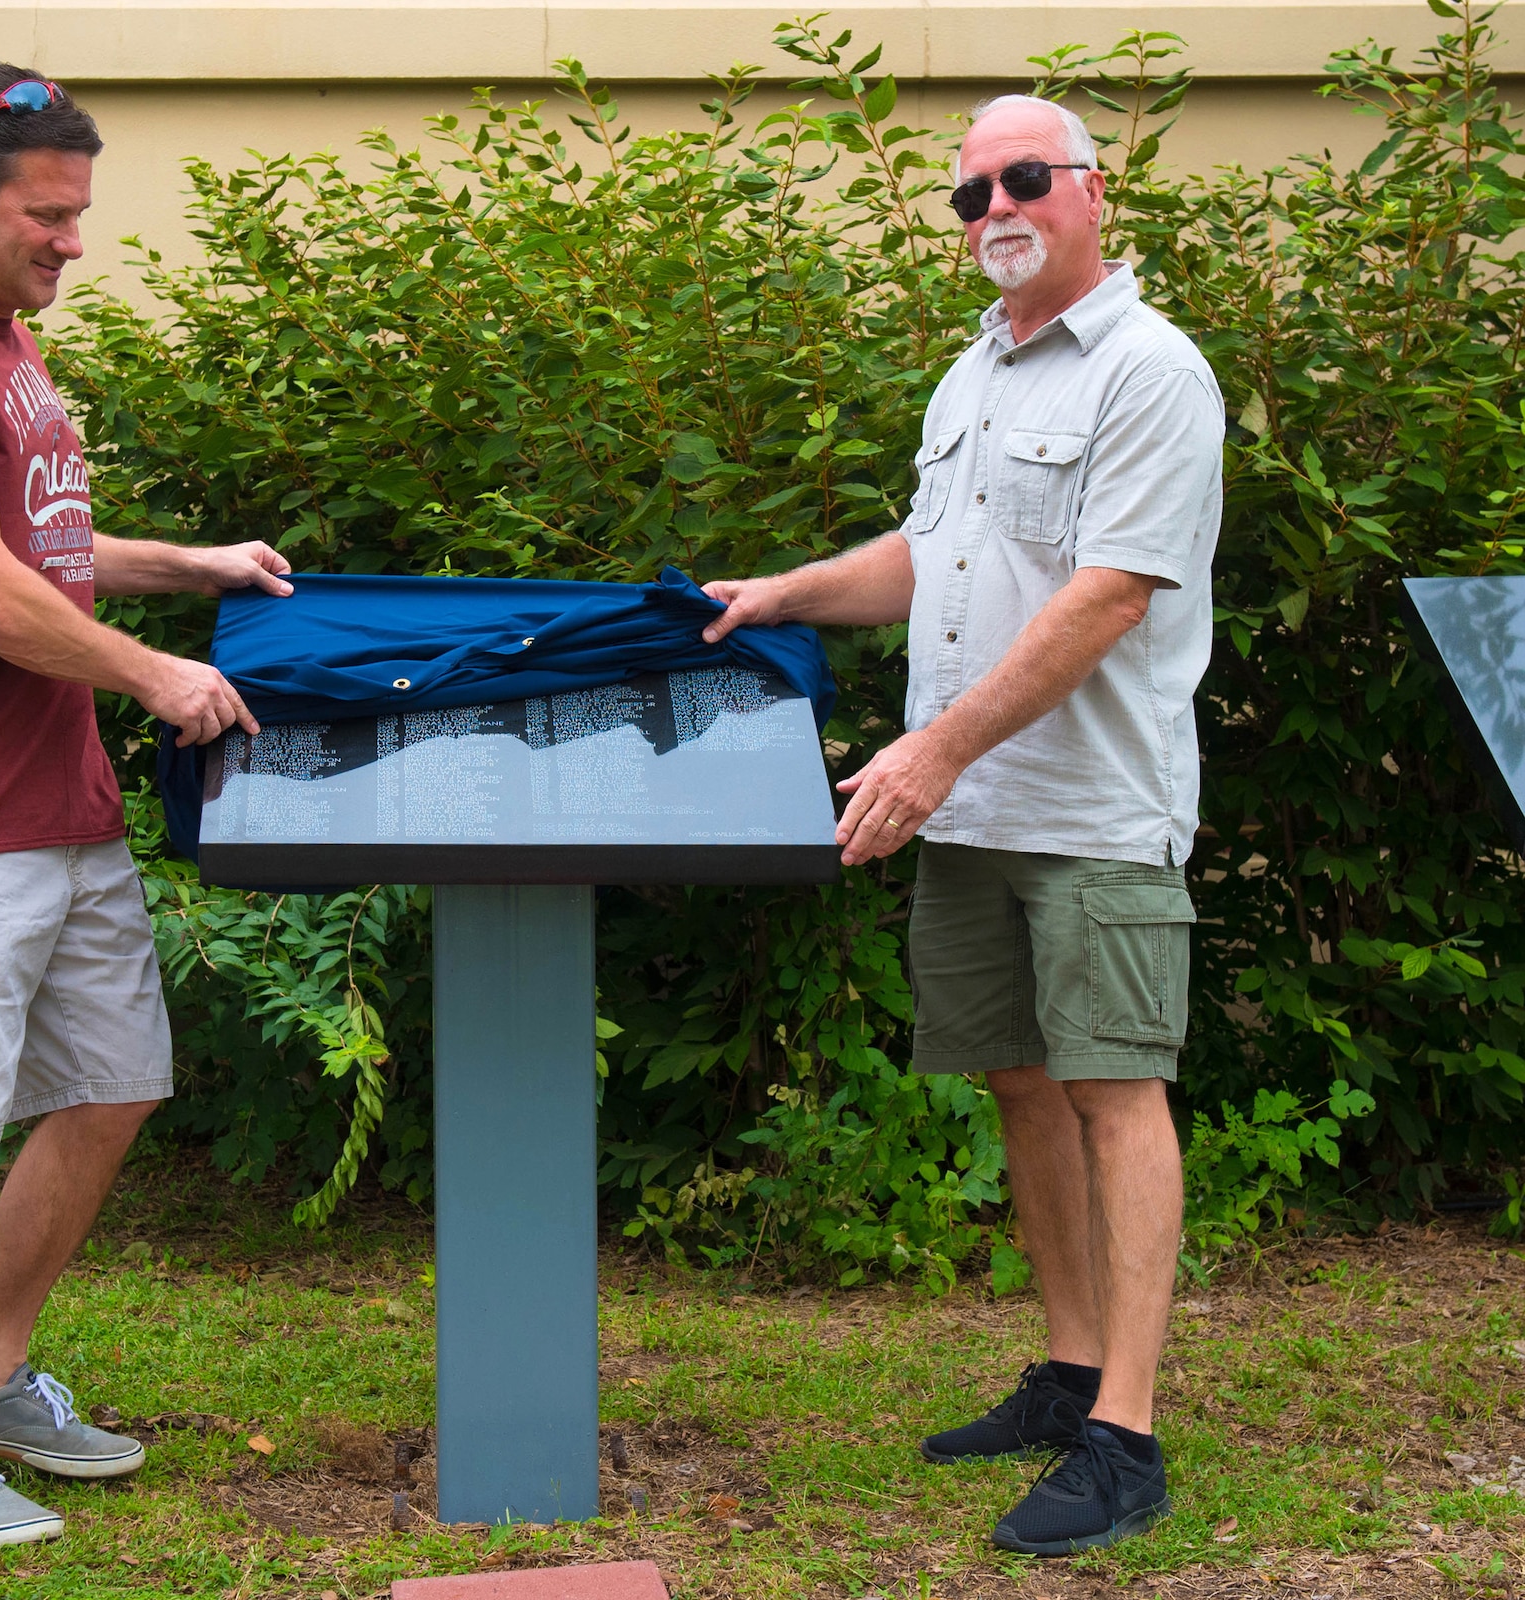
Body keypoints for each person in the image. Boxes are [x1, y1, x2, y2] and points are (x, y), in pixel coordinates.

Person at [703, 93, 1222, 1556]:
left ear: (1091, 189)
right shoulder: (974, 374)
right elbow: (935, 559)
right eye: (969, 192)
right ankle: (1067, 1373)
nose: (996, 204)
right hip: (976, 803)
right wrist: (783, 596)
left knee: (1115, 1090)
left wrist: (928, 747)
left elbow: (1109, 594)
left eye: (1025, 177)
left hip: (1093, 809)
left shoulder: (1151, 371)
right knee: (1016, 1083)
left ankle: (1124, 1434)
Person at [0, 62, 292, 1547]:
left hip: (51, 804)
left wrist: (189, 566)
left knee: (115, 1085)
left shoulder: (2, 344)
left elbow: (37, 550)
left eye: (80, 214)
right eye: (49, 215)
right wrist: (153, 674)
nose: (74, 241)